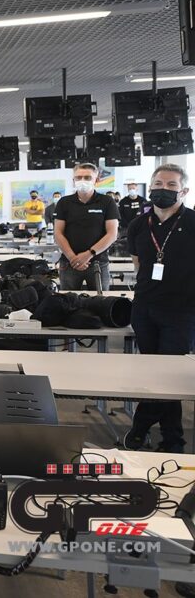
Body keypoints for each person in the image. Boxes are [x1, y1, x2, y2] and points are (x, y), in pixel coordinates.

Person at [124, 164, 194, 454]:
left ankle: (142, 429)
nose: (162, 189)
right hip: (145, 309)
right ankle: (171, 441)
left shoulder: (193, 222)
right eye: (158, 183)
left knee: (166, 375)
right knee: (155, 375)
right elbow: (138, 263)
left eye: (170, 185)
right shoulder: (139, 224)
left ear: (184, 190)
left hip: (182, 311)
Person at [54, 163, 120, 291]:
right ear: (73, 180)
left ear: (96, 180)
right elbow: (58, 233)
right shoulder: (64, 202)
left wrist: (89, 254)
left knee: (101, 303)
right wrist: (72, 257)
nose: (82, 181)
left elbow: (112, 234)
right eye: (78, 177)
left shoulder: (107, 202)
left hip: (98, 262)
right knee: (68, 304)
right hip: (69, 263)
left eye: (87, 177)